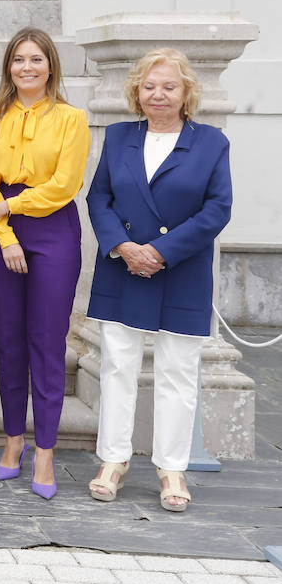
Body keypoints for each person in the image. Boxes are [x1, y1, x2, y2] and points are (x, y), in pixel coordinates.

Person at [84, 48, 231, 512]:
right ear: (136, 91)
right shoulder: (119, 136)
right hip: (121, 266)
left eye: (169, 86)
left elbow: (217, 209)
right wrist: (123, 247)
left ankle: (172, 468)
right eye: (149, 86)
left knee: (177, 372)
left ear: (187, 91)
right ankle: (112, 461)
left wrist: (161, 252)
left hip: (181, 271)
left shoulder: (211, 142)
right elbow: (99, 198)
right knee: (117, 367)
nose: (158, 94)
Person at [0, 28, 89, 499]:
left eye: (36, 59)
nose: (27, 67)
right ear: (9, 67)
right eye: (18, 59)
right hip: (0, 235)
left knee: (46, 341)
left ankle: (45, 449)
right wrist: (4, 234)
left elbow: (65, 186)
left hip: (53, 232)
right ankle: (12, 441)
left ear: (50, 67)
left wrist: (11, 209)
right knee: (8, 340)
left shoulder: (71, 119)